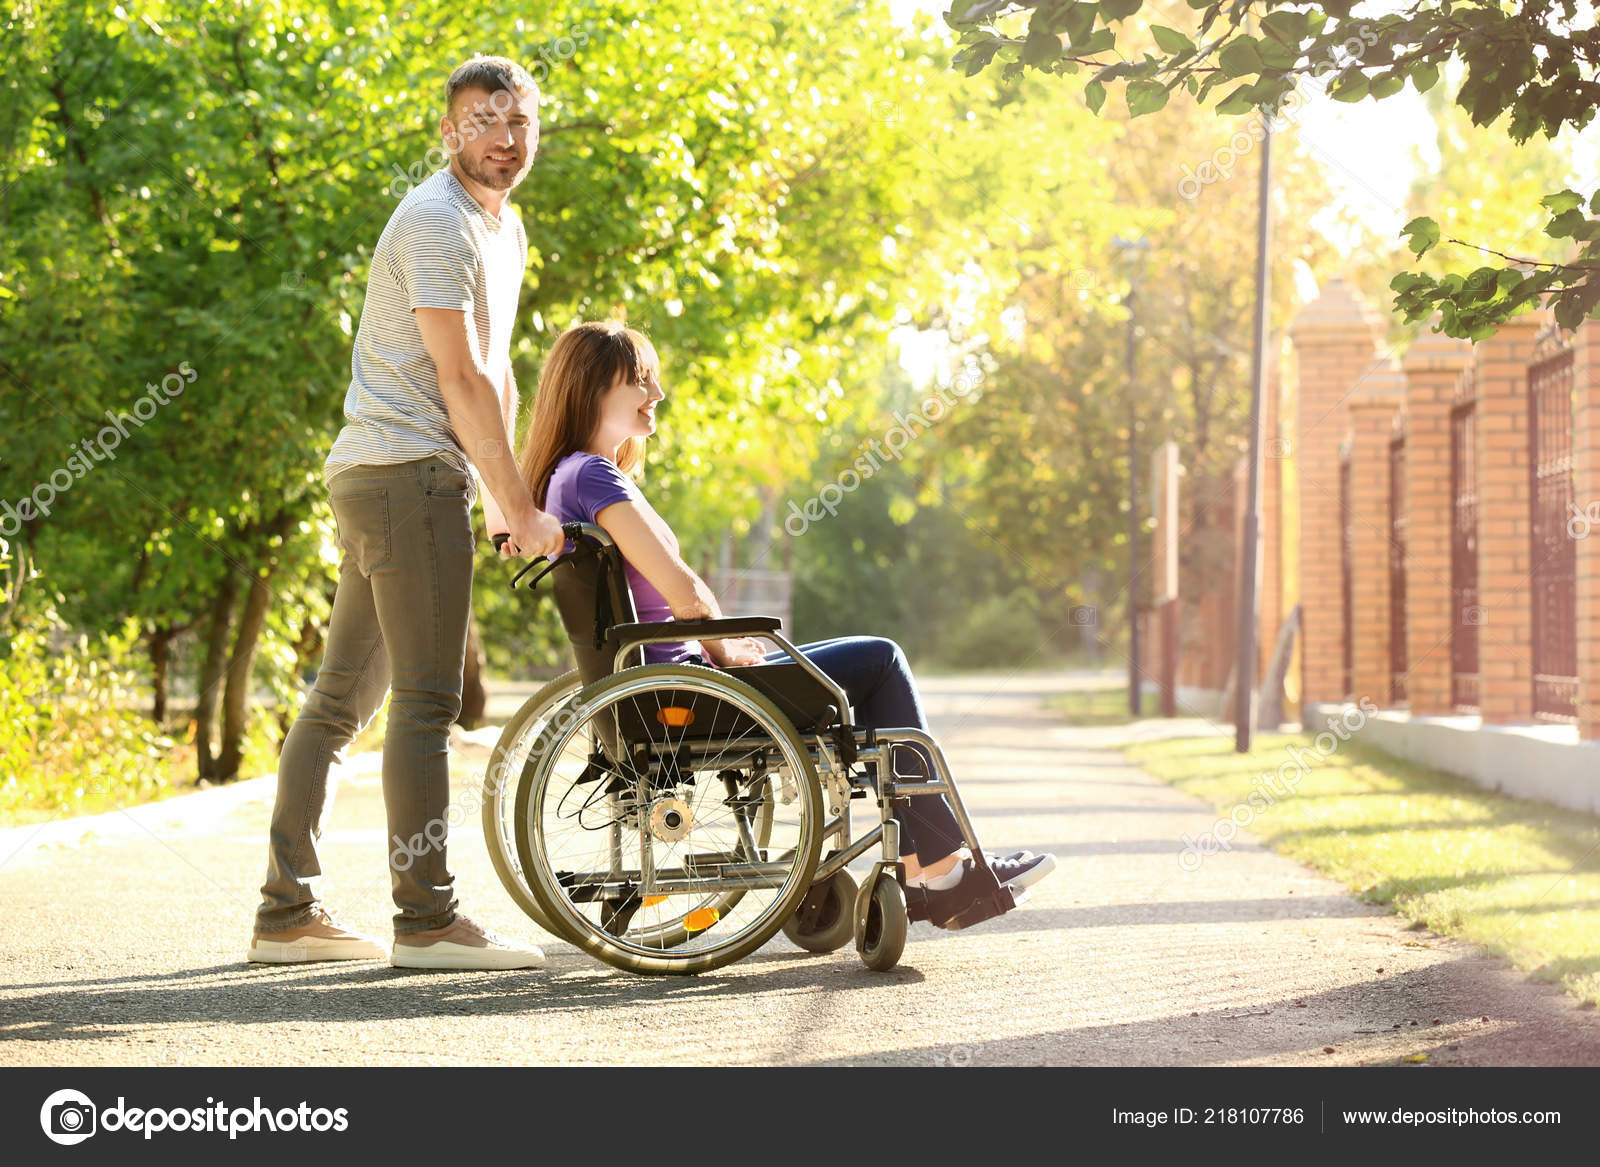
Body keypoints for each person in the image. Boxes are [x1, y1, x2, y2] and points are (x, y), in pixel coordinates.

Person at [517, 320, 1056, 928]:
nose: (657, 394)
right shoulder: (591, 476)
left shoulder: (567, 478)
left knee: (857, 664)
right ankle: (941, 870)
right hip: (688, 690)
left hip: (662, 684)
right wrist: (726, 656)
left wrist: (725, 648)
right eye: (642, 380)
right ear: (592, 387)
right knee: (881, 660)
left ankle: (929, 868)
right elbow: (685, 594)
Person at [249, 56, 564, 970]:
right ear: (449, 132)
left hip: (390, 477)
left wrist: (517, 498)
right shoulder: (435, 220)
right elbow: (456, 378)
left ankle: (287, 913)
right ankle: (427, 919)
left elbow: (496, 373)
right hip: (406, 475)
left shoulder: (503, 229)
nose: (504, 139)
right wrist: (510, 500)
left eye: (519, 123)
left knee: (339, 702)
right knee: (426, 701)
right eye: (483, 122)